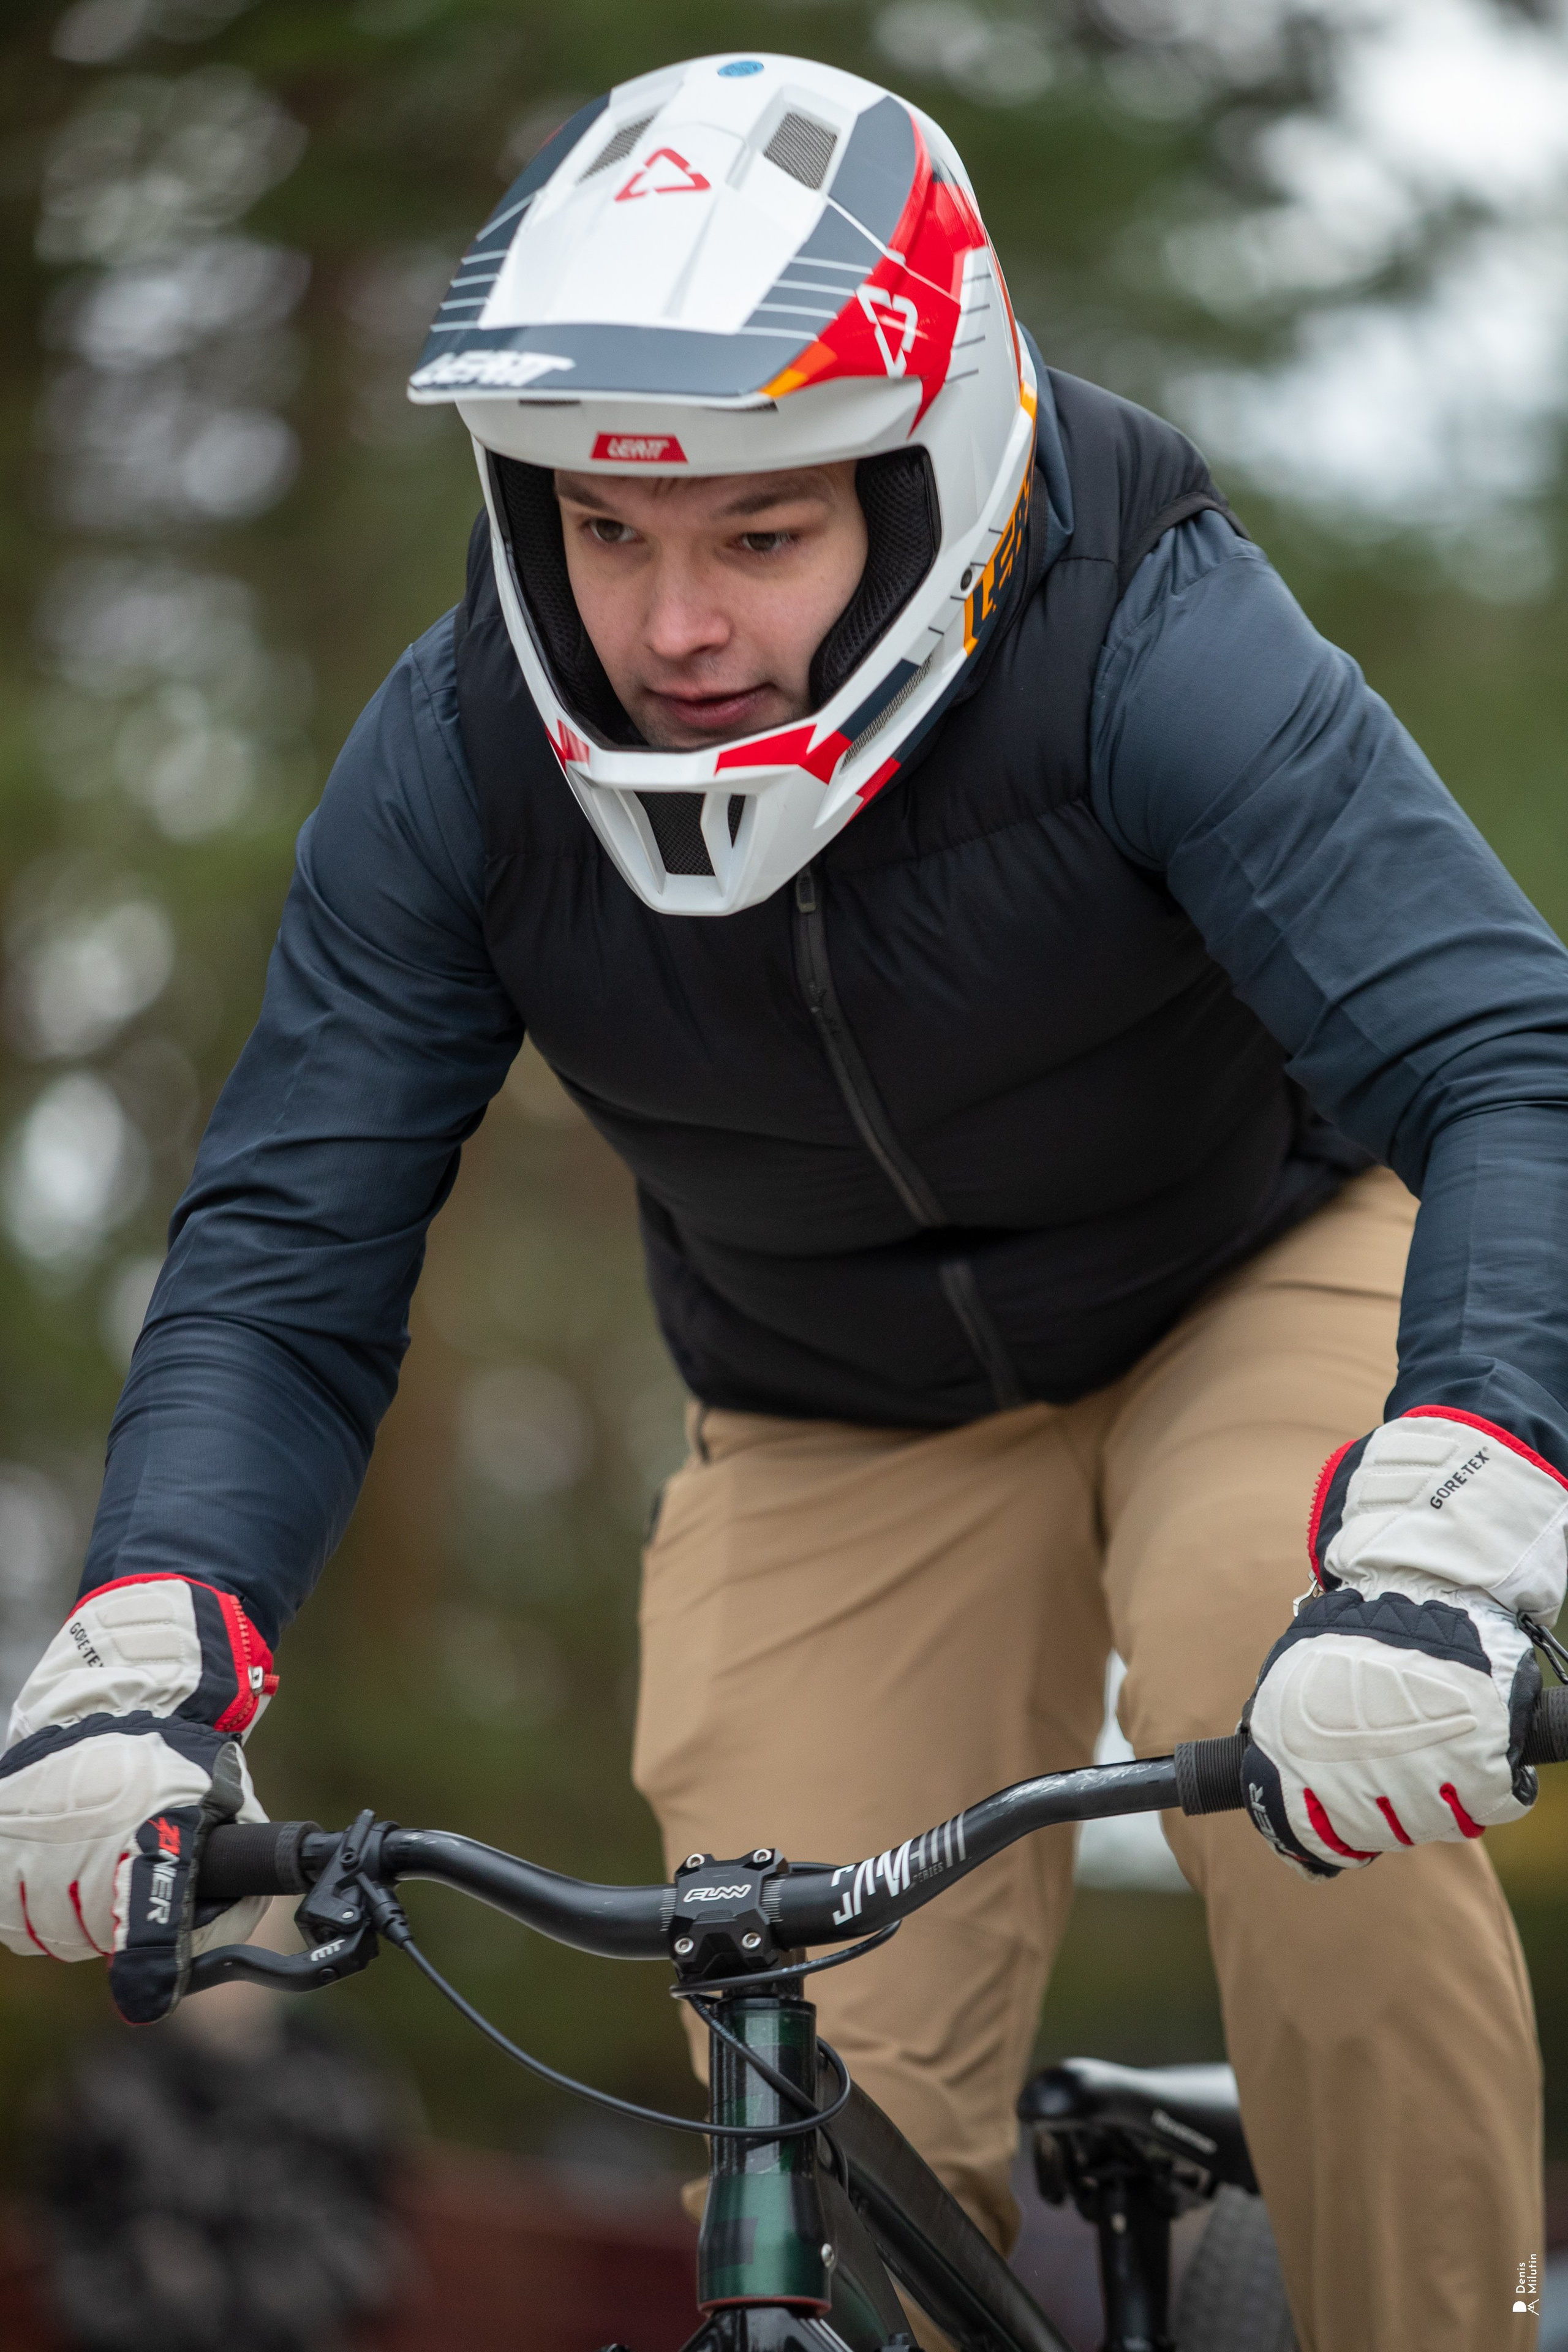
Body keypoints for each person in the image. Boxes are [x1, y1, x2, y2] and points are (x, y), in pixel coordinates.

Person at [1, 50, 1562, 2350]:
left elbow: (1507, 1054)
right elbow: (290, 1237)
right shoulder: (453, 759)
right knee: (809, 2049)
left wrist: (1459, 1525)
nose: (672, 626)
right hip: (834, 1396)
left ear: (934, 483)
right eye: (608, 534)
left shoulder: (1154, 619)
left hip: (1249, 1272)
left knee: (1285, 1644)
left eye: (760, 535)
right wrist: (144, 1640)